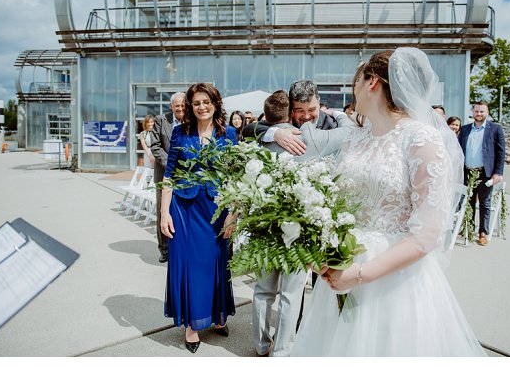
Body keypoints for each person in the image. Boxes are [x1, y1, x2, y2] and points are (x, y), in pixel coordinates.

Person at [291, 49, 484, 356]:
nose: (352, 88)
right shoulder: (356, 138)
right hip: (341, 268)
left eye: (357, 80)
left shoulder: (422, 140)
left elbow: (427, 235)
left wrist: (359, 274)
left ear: (372, 83)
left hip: (393, 280)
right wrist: (319, 250)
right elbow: (333, 204)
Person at [160, 83, 236, 352]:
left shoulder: (229, 135)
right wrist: (163, 213)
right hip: (184, 208)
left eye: (206, 102)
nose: (202, 107)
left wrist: (233, 215)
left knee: (215, 262)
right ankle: (192, 325)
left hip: (216, 209)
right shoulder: (181, 133)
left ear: (215, 103)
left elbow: (235, 178)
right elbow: (169, 174)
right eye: (196, 103)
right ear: (190, 107)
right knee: (190, 266)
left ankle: (217, 315)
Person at [250, 89, 308, 358]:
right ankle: (283, 351)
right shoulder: (307, 138)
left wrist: (271, 132)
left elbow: (249, 129)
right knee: (290, 295)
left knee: (263, 291)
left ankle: (261, 345)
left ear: (266, 114)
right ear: (291, 113)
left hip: (262, 224)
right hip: (296, 228)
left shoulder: (254, 140)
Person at [457, 101, 504, 246]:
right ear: (473, 112)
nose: (479, 114)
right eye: (476, 111)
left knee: (485, 203)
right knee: (468, 202)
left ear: (487, 112)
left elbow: (500, 152)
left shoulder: (495, 129)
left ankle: (483, 232)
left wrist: (498, 172)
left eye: (482, 111)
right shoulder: (464, 129)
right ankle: (468, 228)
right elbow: (458, 150)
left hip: (485, 173)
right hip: (467, 172)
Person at [148, 93, 185, 264]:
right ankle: (165, 250)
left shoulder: (192, 121)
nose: (180, 108)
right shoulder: (161, 120)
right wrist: (171, 164)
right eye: (177, 105)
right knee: (164, 212)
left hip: (186, 176)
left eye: (183, 105)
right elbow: (155, 146)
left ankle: (180, 247)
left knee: (182, 212)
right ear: (171, 106)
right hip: (164, 174)